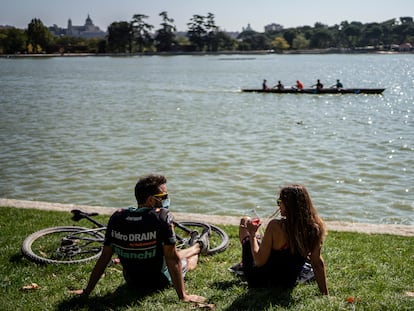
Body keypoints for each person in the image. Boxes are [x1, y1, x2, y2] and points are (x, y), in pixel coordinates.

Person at [71, 174, 208, 303]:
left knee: (169, 254)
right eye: (164, 196)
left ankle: (196, 247)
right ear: (150, 200)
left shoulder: (117, 218)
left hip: (132, 279)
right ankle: (198, 248)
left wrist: (86, 291)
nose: (167, 198)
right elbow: (173, 260)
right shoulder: (162, 218)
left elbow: (104, 257)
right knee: (186, 262)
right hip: (158, 281)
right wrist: (183, 296)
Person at [233, 184, 329, 294]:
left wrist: (252, 234)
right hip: (287, 282)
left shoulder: (275, 226)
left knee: (245, 220)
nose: (278, 206)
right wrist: (325, 294)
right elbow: (317, 264)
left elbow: (259, 261)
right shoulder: (315, 229)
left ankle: (248, 253)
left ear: (288, 204)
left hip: (259, 280)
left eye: (280, 202)